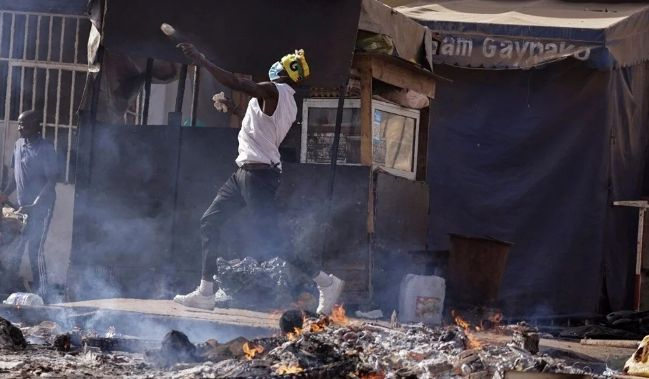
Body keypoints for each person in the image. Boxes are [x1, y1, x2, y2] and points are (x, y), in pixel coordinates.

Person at [173, 44, 345, 314]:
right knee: (210, 222)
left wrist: (202, 60)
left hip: (258, 176)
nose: (275, 63)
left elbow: (236, 81)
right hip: (245, 174)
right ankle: (206, 293)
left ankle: (326, 282)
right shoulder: (287, 103)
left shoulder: (273, 89)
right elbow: (260, 128)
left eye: (281, 62)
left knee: (272, 240)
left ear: (286, 72)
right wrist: (232, 109)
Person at [0, 110, 58, 299]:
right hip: (22, 207)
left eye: (22, 124)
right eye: (18, 124)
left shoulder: (46, 148)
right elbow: (15, 179)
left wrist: (35, 203)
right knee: (17, 248)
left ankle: (44, 294)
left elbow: (51, 181)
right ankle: (10, 290)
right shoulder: (18, 145)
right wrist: (4, 194)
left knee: (35, 249)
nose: (19, 128)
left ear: (35, 125)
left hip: (42, 207)